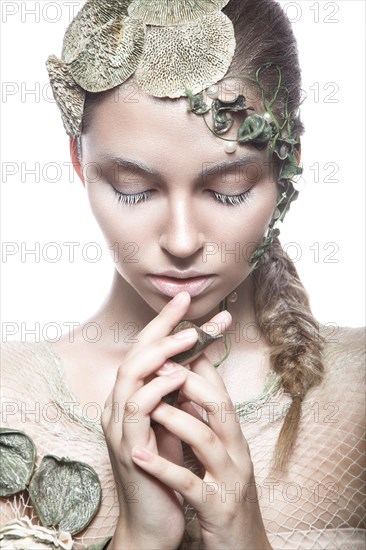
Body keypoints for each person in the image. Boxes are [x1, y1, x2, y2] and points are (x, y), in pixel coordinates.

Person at [1, 0, 365, 549]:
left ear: (285, 166)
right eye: (133, 189)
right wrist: (141, 537)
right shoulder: (9, 398)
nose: (180, 240)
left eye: (228, 190)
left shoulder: (356, 396)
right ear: (80, 163)